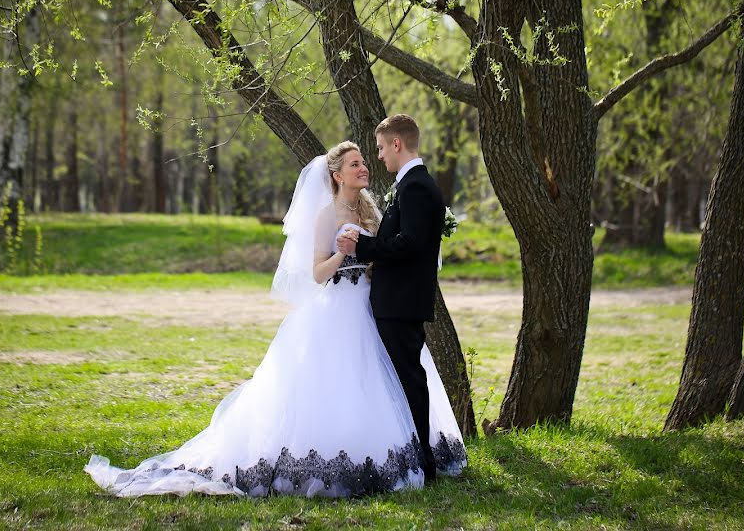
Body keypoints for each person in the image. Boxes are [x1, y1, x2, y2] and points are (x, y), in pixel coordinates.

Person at [84, 141, 466, 499]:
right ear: (337, 175)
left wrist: (371, 260)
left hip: (372, 306)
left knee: (383, 379)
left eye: (365, 161)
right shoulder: (325, 215)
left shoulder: (369, 210)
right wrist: (344, 257)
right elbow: (317, 273)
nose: (364, 167)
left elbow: (383, 251)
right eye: (355, 164)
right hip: (337, 308)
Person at [336, 115, 445, 483]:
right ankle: (413, 456)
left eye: (381, 148)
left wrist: (363, 246)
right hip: (399, 301)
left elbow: (410, 244)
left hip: (399, 303)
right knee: (403, 379)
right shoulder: (414, 184)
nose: (379, 156)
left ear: (396, 144)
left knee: (408, 380)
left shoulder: (414, 187)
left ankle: (422, 461)